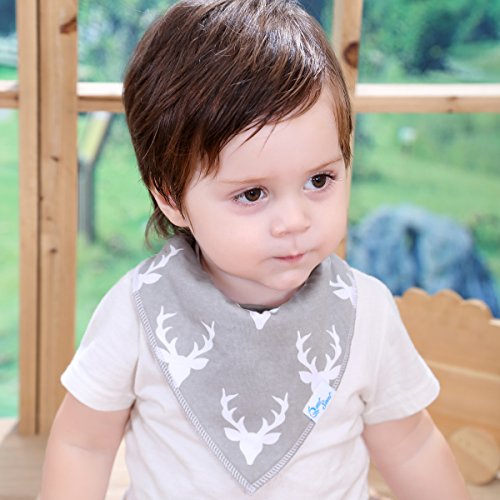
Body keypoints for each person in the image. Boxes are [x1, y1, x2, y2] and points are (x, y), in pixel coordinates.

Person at [40, 1, 469, 498]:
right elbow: (84, 444)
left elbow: (411, 445)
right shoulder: (139, 311)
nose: (295, 221)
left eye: (319, 180)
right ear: (171, 198)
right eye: (252, 194)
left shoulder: (364, 312)